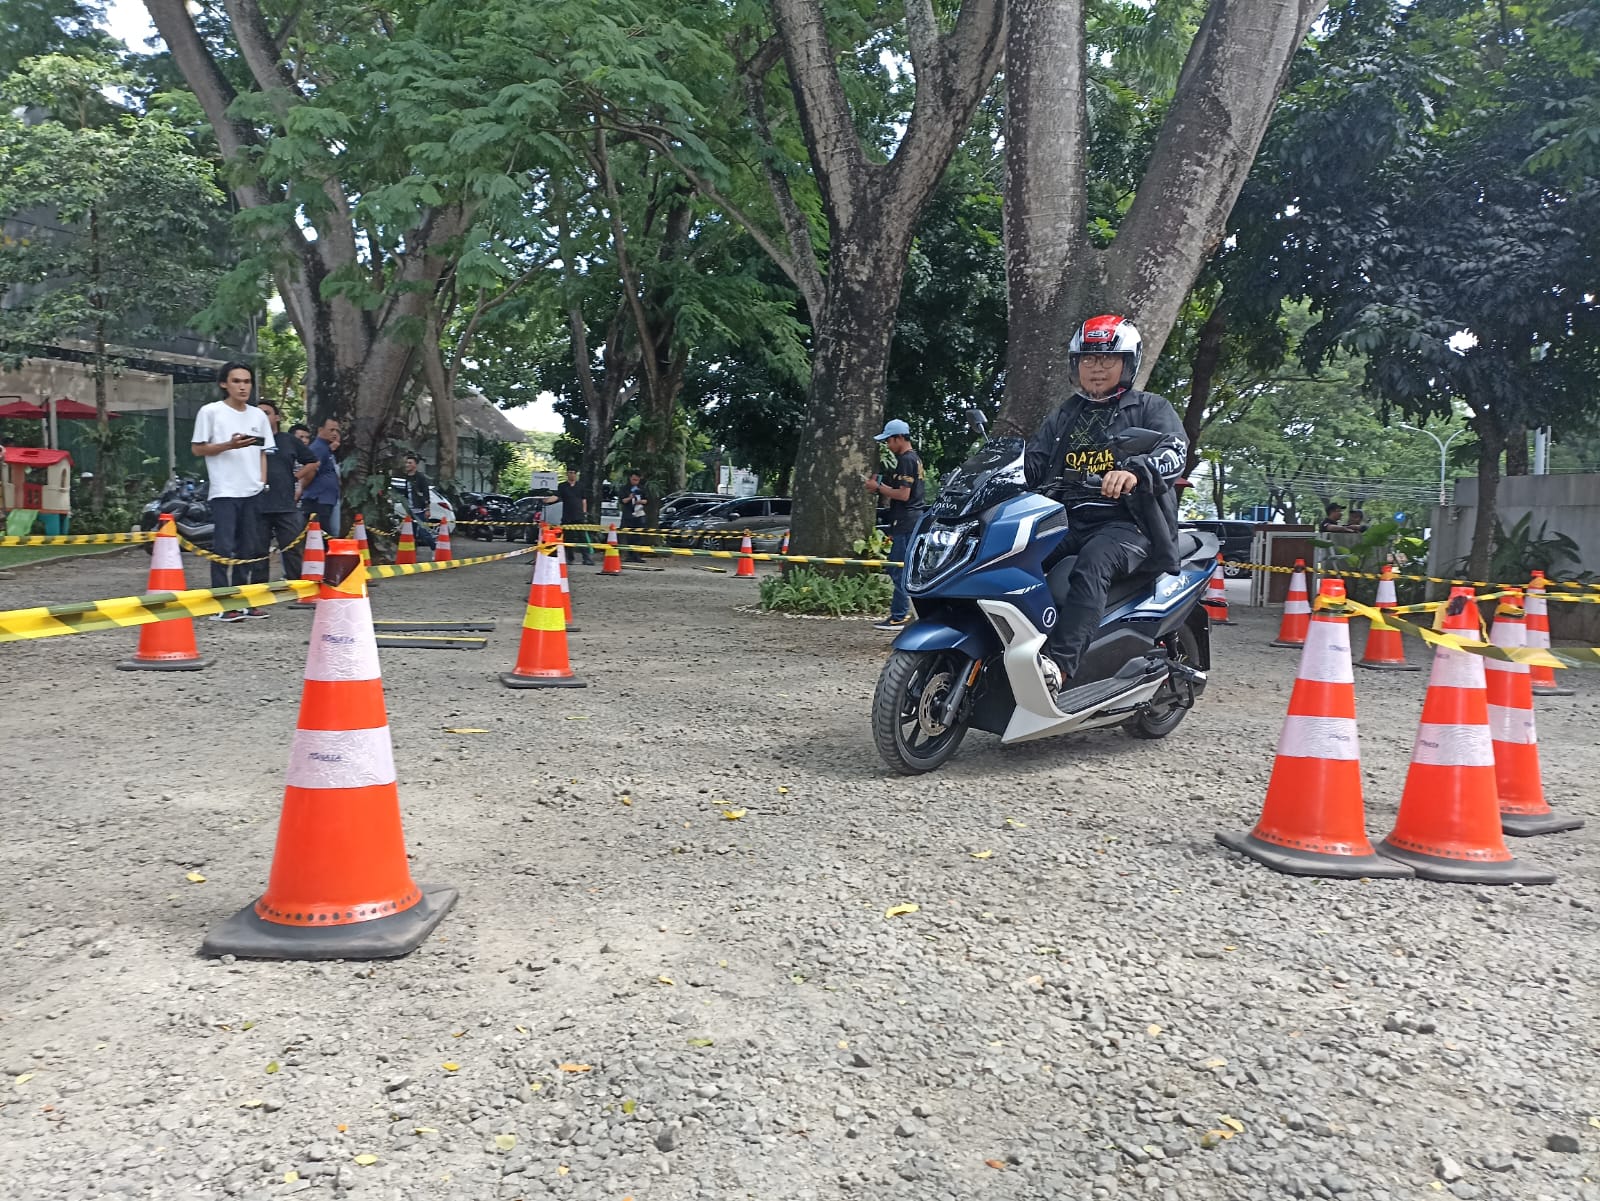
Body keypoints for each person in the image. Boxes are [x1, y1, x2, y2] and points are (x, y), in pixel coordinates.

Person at [1022, 315, 1187, 692]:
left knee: (1092, 562)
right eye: (1088, 358)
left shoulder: (1151, 407)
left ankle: (1060, 667)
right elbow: (1034, 461)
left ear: (1127, 364)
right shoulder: (1067, 414)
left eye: (1107, 358)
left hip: (1128, 523)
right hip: (1066, 517)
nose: (1096, 367)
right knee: (1017, 557)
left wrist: (1135, 471)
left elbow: (1175, 451)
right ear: (1075, 364)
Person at [190, 361, 274, 621]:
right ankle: (222, 604)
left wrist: (262, 483)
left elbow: (263, 452)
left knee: (249, 548)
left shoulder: (258, 416)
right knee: (224, 548)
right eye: (236, 381)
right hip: (225, 490)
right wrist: (229, 445)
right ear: (224, 384)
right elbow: (197, 448)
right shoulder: (210, 412)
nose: (242, 387)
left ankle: (243, 601)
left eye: (247, 382)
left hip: (253, 491)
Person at [863, 419, 924, 632]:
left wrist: (878, 487)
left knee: (898, 569)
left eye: (889, 440)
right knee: (900, 568)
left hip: (906, 521)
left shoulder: (906, 460)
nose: (888, 445)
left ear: (898, 438)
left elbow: (904, 495)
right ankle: (907, 613)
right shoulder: (912, 459)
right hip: (907, 520)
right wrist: (880, 486)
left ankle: (899, 616)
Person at [252, 399, 318, 584]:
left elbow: (312, 462)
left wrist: (295, 477)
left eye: (266, 413)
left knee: (292, 548)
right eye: (258, 413)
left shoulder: (288, 440)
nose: (261, 417)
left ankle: (296, 585)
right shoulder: (251, 440)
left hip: (285, 505)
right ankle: (259, 589)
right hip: (258, 504)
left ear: (277, 417)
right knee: (258, 551)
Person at [300, 416, 341, 535]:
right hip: (318, 499)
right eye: (331, 430)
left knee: (327, 533)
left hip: (326, 499)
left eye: (337, 430)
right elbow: (310, 472)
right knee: (321, 535)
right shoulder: (318, 448)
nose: (334, 433)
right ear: (320, 430)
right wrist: (301, 489)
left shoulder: (326, 448)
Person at [556, 467, 594, 564]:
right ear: (567, 474)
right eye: (570, 472)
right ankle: (569, 558)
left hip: (579, 516)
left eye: (573, 473)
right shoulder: (562, 486)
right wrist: (547, 500)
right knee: (568, 538)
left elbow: (584, 500)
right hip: (567, 516)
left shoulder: (580, 486)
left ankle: (587, 558)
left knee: (582, 537)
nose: (572, 474)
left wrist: (584, 513)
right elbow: (557, 497)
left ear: (576, 474)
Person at [400, 452, 436, 548]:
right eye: (406, 463)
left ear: (415, 465)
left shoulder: (420, 477)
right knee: (411, 534)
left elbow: (426, 493)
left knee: (423, 533)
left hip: (420, 511)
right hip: (410, 511)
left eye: (410, 463)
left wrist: (427, 509)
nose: (407, 465)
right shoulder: (406, 478)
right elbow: (405, 494)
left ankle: (435, 549)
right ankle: (413, 553)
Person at [621, 469, 648, 563]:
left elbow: (646, 500)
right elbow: (623, 501)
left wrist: (641, 501)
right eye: (633, 479)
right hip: (629, 514)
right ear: (630, 478)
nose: (635, 481)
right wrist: (630, 497)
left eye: (637, 480)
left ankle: (637, 556)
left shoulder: (642, 488)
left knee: (638, 536)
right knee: (629, 536)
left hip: (639, 513)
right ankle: (629, 556)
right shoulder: (625, 488)